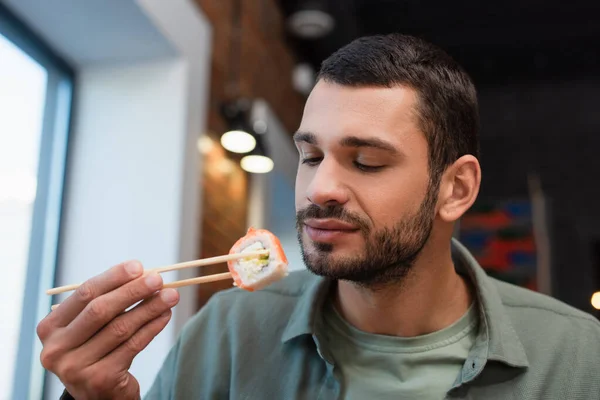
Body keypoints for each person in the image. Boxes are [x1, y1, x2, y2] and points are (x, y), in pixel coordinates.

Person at [38, 34, 600, 400]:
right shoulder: (227, 335)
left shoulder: (576, 359)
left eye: (367, 162)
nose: (323, 187)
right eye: (311, 157)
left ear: (455, 189)